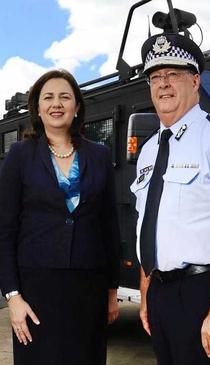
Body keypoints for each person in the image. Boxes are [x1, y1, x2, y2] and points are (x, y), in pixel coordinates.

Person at [131, 32, 210, 365]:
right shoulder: (147, 151)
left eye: (174, 74)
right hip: (158, 292)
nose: (164, 84)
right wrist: (146, 291)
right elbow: (150, 224)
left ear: (195, 80)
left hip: (201, 292)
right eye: (156, 77)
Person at [0, 69, 121, 364]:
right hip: (36, 292)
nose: (57, 103)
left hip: (89, 290)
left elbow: (109, 226)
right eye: (49, 97)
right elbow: (4, 231)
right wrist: (13, 297)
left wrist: (112, 290)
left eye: (65, 97)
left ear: (77, 107)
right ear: (38, 108)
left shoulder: (99, 155)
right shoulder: (20, 155)